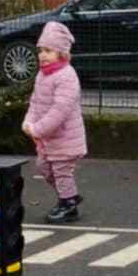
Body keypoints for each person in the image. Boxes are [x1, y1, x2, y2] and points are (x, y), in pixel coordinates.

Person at [23, 21, 87, 223]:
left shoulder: (66, 76)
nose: (42, 55)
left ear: (62, 53)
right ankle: (69, 196)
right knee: (43, 167)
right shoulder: (43, 75)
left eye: (48, 51)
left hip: (65, 138)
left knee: (61, 171)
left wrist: (37, 129)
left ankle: (68, 205)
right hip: (47, 139)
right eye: (41, 50)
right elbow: (35, 102)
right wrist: (28, 121)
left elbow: (60, 111)